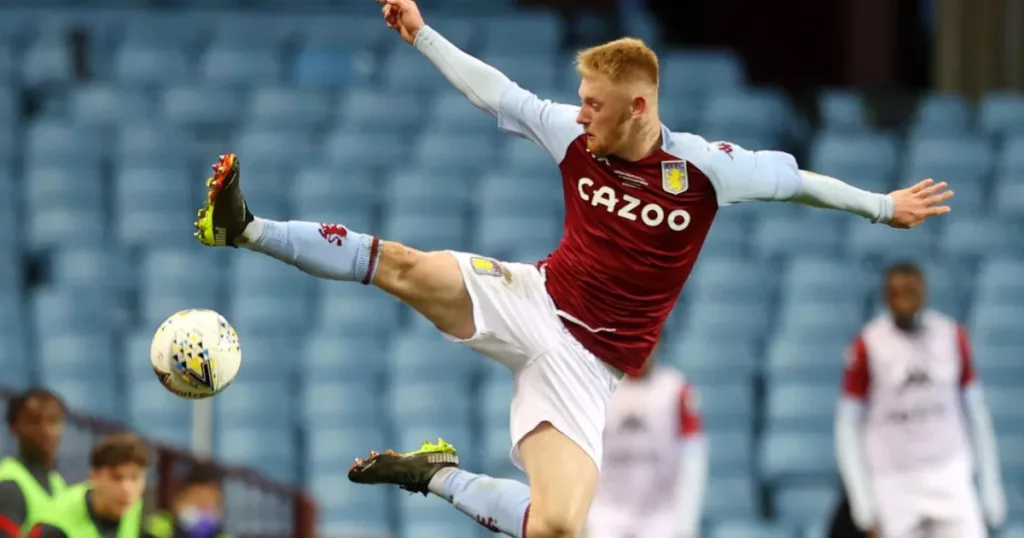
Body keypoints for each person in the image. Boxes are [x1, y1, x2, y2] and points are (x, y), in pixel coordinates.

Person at [191, 0, 954, 534]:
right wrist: (422, 34)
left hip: (589, 368)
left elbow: (796, 181)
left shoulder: (705, 170)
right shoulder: (574, 137)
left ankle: (434, 476)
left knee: (556, 526)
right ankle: (246, 228)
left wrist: (884, 208)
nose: (579, 113)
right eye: (580, 101)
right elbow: (499, 94)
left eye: (594, 104)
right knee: (402, 266)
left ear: (640, 106)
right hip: (532, 299)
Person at [836, 262, 1005, 538]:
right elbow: (847, 425)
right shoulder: (867, 345)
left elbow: (976, 413)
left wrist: (990, 486)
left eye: (910, 290)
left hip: (949, 473)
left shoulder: (952, 336)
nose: (904, 298)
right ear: (885, 296)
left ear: (924, 291)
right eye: (896, 291)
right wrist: (862, 502)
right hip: (894, 481)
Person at [585, 347, 707, 538]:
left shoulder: (676, 390)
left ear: (659, 342)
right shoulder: (600, 387)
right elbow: (584, 455)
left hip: (660, 517)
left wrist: (686, 520)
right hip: (606, 514)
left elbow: (693, 457)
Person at [29, 433, 152, 538]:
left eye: (135, 478)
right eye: (116, 478)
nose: (127, 489)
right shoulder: (54, 528)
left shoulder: (132, 505)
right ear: (94, 476)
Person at [0, 388, 67, 537]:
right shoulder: (9, 487)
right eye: (34, 422)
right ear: (14, 428)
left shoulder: (57, 482)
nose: (46, 430)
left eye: (54, 420)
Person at [145, 463, 231, 538]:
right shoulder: (157, 529)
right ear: (178, 501)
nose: (203, 508)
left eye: (210, 502)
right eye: (197, 499)